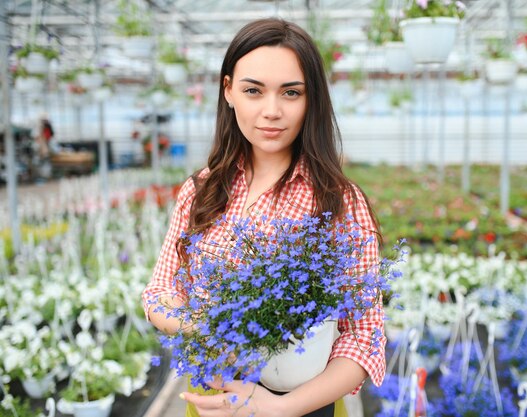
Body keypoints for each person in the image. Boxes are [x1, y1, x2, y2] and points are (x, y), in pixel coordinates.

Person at [142, 18, 386, 417]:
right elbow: (158, 294)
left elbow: (364, 338)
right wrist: (211, 324)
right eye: (253, 90)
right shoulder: (201, 191)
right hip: (212, 398)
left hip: (302, 405)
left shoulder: (338, 201)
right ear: (228, 91)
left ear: (311, 99)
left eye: (291, 92)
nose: (272, 111)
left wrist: (278, 408)